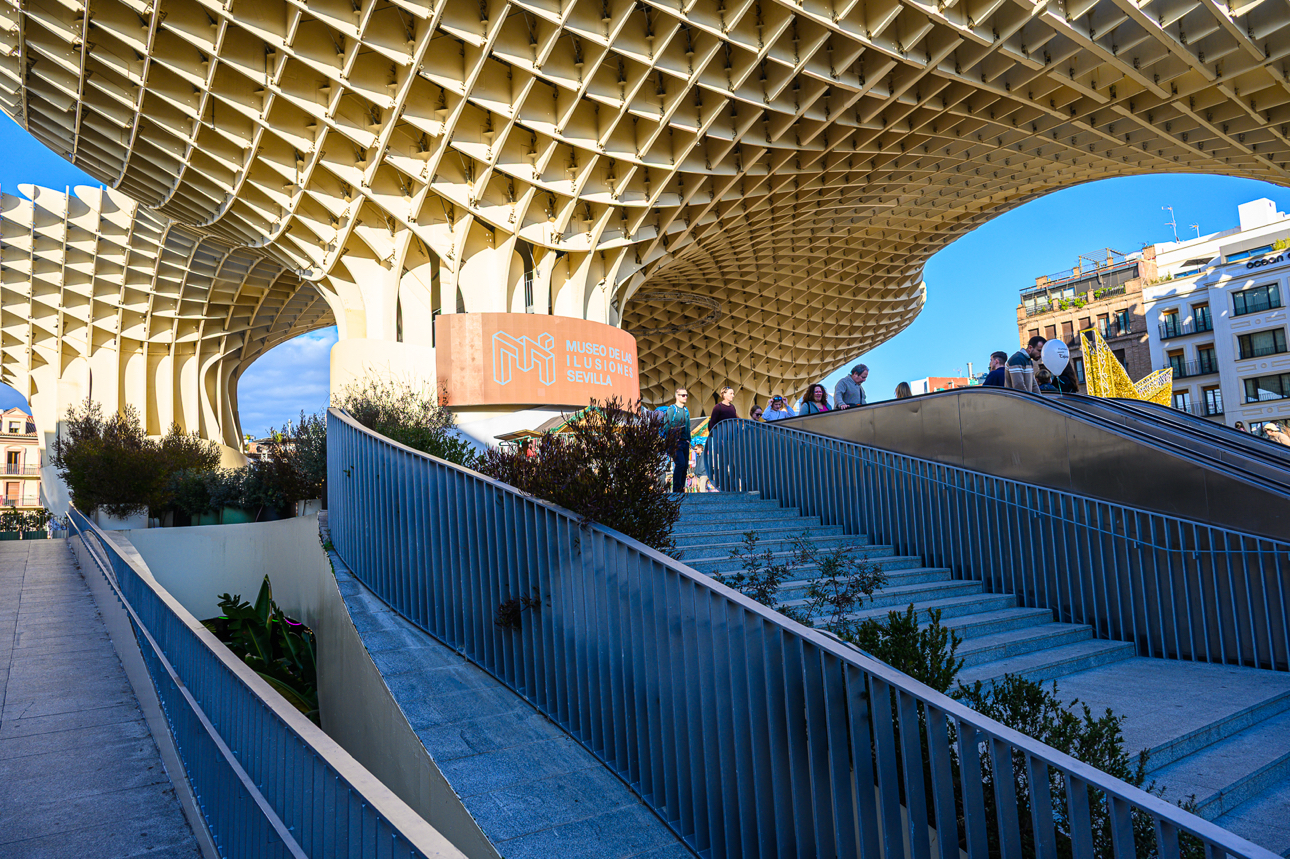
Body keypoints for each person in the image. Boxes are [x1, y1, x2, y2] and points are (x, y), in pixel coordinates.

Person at [656, 387, 690, 493]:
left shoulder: (686, 410)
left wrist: (689, 440)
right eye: (682, 395)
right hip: (675, 442)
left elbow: (688, 426)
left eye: (686, 395)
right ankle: (676, 488)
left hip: (684, 441)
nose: (685, 397)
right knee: (680, 463)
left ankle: (681, 488)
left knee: (685, 465)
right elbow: (667, 425)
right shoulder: (672, 409)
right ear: (677, 396)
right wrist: (669, 441)